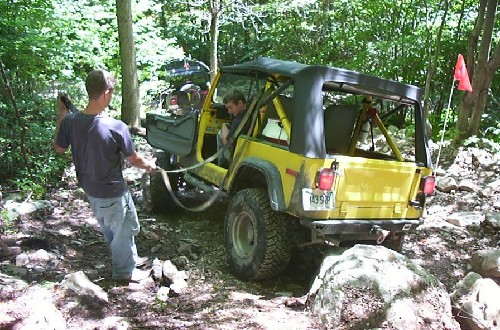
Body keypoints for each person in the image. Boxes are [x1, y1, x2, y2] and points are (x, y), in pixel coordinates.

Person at [54, 69, 156, 282]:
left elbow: (59, 148)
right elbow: (134, 159)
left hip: (93, 190)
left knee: (120, 226)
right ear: (106, 93)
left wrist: (62, 114)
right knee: (120, 231)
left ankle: (128, 259)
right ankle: (124, 272)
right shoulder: (116, 127)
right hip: (111, 192)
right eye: (112, 92)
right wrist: (149, 165)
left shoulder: (71, 121)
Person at [217, 89, 251, 167]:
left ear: (240, 103)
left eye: (230, 107)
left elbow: (227, 143)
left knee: (220, 133)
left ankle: (222, 165)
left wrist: (224, 126)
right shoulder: (250, 111)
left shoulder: (239, 120)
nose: (229, 112)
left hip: (236, 153)